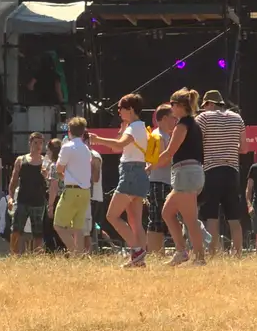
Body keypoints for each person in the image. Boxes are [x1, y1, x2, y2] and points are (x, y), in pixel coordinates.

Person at [95, 94, 152, 268]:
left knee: (112, 215)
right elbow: (120, 146)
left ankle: (136, 250)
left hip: (130, 173)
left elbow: (119, 146)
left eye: (121, 108)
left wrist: (96, 139)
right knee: (135, 220)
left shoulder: (133, 127)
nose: (118, 112)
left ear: (131, 110)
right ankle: (139, 259)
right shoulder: (139, 127)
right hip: (139, 172)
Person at [157, 89, 208, 266]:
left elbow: (170, 151)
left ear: (179, 106)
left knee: (190, 219)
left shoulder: (182, 126)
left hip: (186, 173)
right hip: (189, 173)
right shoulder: (192, 125)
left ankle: (199, 257)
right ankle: (182, 251)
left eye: (172, 104)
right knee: (167, 212)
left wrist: (151, 165)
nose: (170, 108)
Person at [194, 90, 248, 256]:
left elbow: (197, 143)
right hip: (232, 171)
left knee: (211, 215)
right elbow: (244, 149)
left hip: (211, 171)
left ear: (209, 103)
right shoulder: (237, 118)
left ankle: (213, 252)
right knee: (233, 216)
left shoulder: (203, 118)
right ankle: (238, 253)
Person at [50, 118, 94, 255]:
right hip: (85, 192)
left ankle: (74, 252)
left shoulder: (67, 147)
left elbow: (59, 168)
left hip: (71, 190)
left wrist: (63, 175)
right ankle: (79, 256)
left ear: (69, 131)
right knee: (78, 228)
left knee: (58, 225)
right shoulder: (86, 149)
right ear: (83, 132)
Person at [6, 133, 50, 256]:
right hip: (22, 200)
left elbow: (51, 182)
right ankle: (14, 256)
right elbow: (13, 181)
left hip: (38, 201)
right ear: (30, 143)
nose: (38, 146)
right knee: (16, 230)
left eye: (41, 143)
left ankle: (38, 258)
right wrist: (10, 197)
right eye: (35, 143)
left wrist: (47, 176)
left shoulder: (46, 161)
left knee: (38, 233)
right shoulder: (21, 160)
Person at [143, 106, 175, 258]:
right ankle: (155, 254)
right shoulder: (158, 136)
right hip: (159, 182)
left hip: (164, 181)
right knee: (157, 219)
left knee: (160, 219)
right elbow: (160, 160)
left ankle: (158, 253)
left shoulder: (164, 135)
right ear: (163, 119)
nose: (175, 121)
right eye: (172, 117)